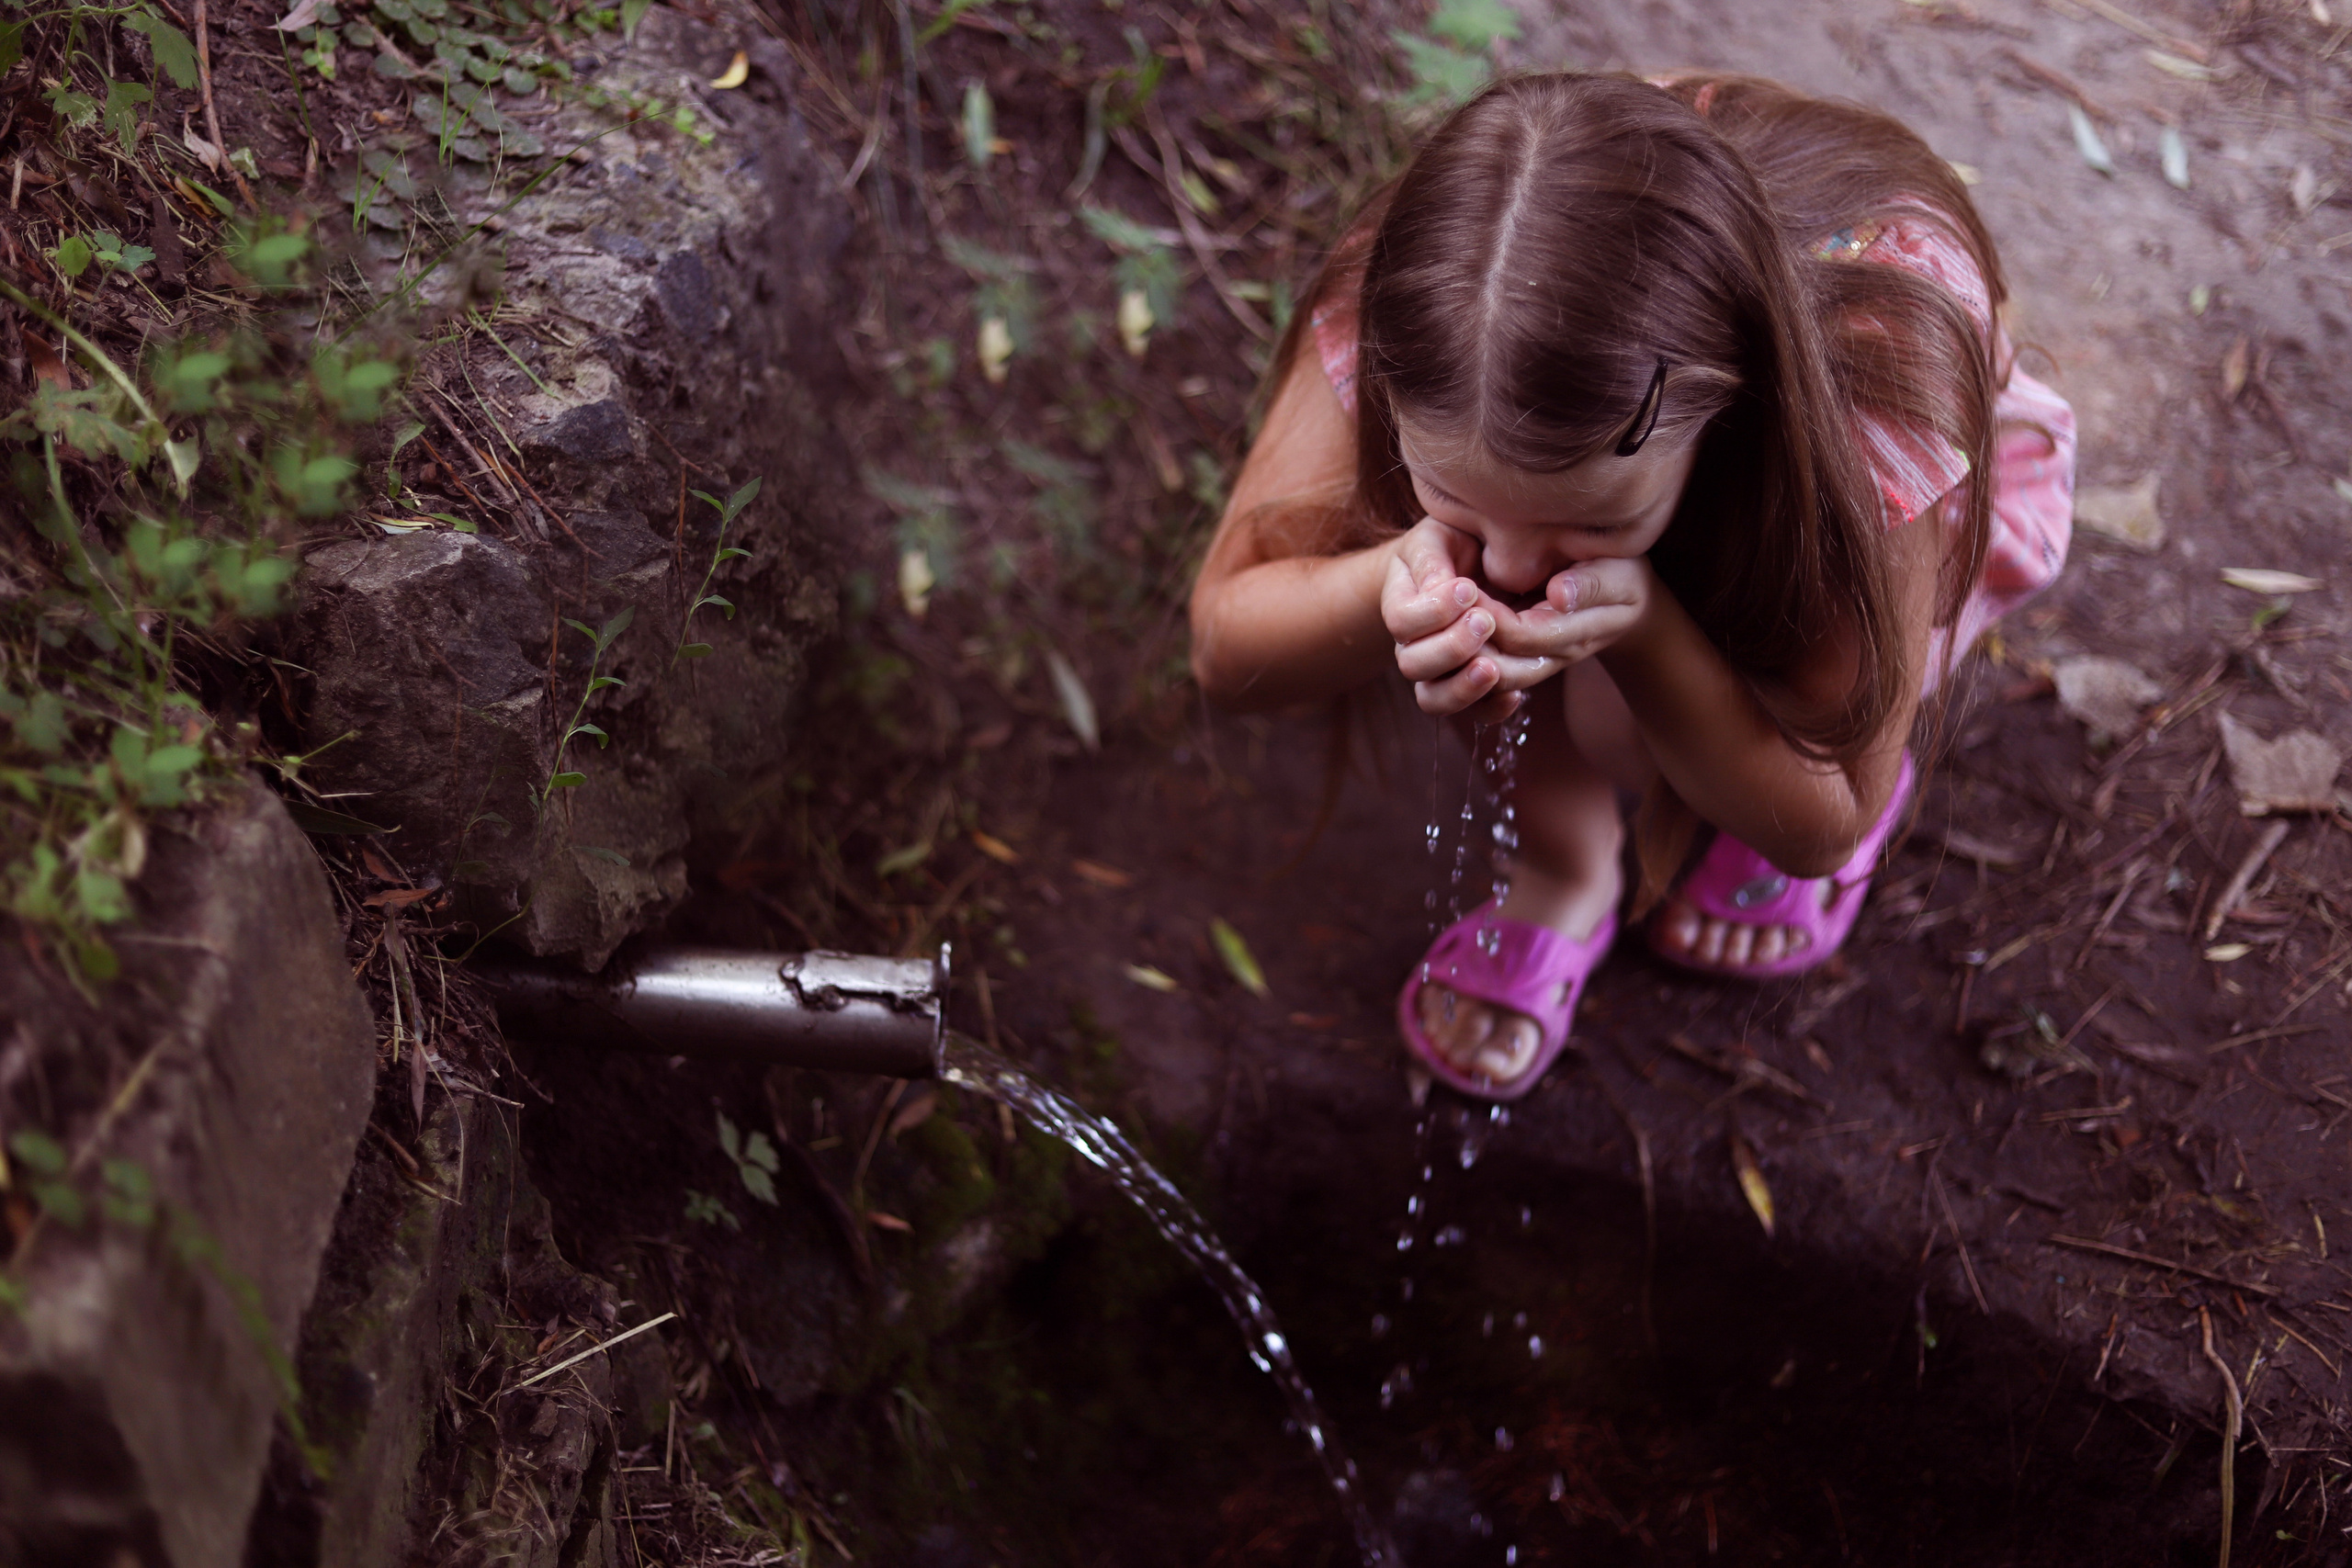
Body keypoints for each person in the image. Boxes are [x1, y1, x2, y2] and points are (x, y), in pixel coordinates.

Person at [1187, 72, 2074, 1100]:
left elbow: (1823, 819)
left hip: (1830, 543)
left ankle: (1742, 752)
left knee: (1678, 722)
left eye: (1594, 515)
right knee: (1490, 634)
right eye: (1456, 497)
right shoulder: (1431, 302)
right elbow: (1226, 648)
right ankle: (1565, 865)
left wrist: (1647, 632)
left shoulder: (1869, 387)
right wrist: (1399, 575)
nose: (1511, 568)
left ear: (1727, 411)